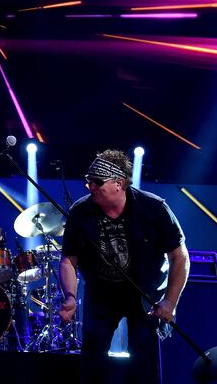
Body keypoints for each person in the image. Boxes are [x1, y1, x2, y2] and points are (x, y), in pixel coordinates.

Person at [58, 149, 190, 383]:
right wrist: (70, 296)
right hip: (101, 294)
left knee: (143, 358)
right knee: (92, 359)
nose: (91, 187)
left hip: (143, 294)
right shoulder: (80, 211)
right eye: (88, 182)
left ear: (119, 183)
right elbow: (69, 259)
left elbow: (179, 257)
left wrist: (170, 301)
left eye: (97, 182)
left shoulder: (154, 208)